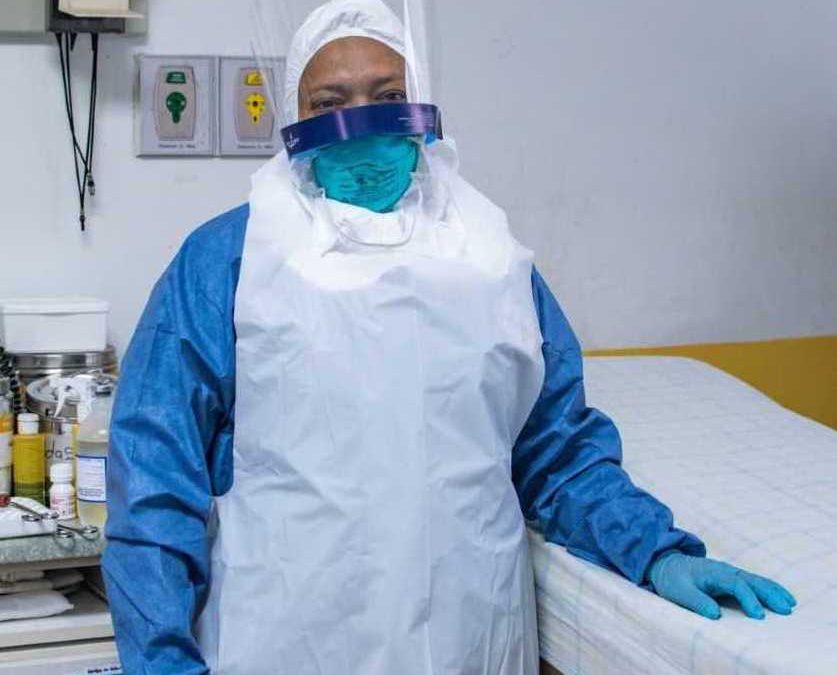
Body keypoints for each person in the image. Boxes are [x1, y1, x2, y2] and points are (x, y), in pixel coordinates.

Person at [102, 1, 796, 673]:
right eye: (330, 102)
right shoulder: (232, 262)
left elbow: (556, 452)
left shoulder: (489, 260)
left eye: (387, 96)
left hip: (471, 635)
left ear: (422, 108)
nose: (362, 121)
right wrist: (160, 658)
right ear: (294, 119)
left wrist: (655, 551)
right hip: (285, 638)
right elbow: (156, 482)